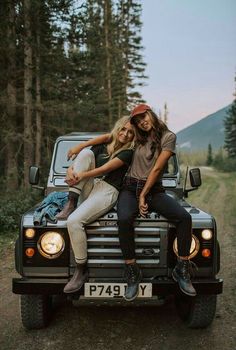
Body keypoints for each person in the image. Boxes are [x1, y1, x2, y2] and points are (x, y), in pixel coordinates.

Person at [117, 104, 196, 301]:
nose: (142, 122)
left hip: (153, 190)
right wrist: (81, 146)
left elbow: (157, 168)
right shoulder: (137, 136)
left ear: (150, 114)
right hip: (129, 188)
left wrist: (143, 195)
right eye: (137, 120)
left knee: (184, 218)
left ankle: (182, 268)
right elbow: (111, 138)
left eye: (143, 117)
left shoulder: (168, 137)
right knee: (124, 218)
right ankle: (133, 271)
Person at [58, 116, 135, 294]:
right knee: (85, 153)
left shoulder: (129, 152)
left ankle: (81, 269)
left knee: (73, 221)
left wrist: (79, 176)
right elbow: (82, 160)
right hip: (89, 187)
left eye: (130, 132)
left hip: (107, 190)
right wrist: (71, 169)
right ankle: (71, 202)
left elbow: (105, 169)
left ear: (134, 136)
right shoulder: (104, 144)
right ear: (118, 128)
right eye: (123, 129)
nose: (125, 134)